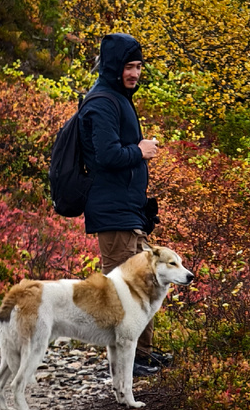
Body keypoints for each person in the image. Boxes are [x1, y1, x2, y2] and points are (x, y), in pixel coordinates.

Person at [79, 33, 171, 377]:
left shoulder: (118, 98)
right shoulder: (102, 102)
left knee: (146, 283)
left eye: (139, 66)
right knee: (123, 292)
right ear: (114, 66)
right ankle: (123, 363)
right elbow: (106, 155)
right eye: (129, 66)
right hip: (113, 213)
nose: (135, 73)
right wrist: (141, 150)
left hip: (128, 211)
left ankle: (141, 355)